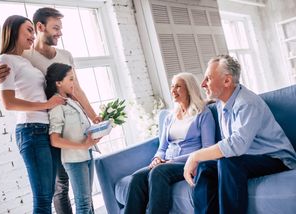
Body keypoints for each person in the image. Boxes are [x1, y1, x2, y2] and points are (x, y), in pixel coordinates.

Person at [0, 8, 101, 213]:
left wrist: (93, 115)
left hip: (56, 127)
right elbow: (7, 95)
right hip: (40, 129)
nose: (60, 33)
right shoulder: (22, 56)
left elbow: (75, 89)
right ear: (41, 27)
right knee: (54, 191)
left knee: (67, 188)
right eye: (56, 28)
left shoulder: (52, 57)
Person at [183, 55, 296, 214]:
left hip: (276, 158)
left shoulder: (247, 103)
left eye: (208, 79)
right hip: (249, 157)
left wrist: (195, 155)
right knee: (205, 168)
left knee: (228, 163)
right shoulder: (221, 104)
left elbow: (236, 145)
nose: (202, 84)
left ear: (227, 81)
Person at [0, 15, 66, 213]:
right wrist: (46, 104)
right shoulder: (5, 60)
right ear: (13, 30)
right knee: (43, 198)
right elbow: (8, 102)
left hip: (45, 129)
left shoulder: (23, 60)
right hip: (31, 130)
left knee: (49, 192)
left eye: (33, 31)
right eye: (28, 30)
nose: (32, 35)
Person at [124, 72, 216, 214]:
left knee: (158, 172)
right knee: (137, 178)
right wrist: (157, 158)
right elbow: (162, 147)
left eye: (178, 87)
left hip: (187, 163)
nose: (173, 90)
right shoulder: (169, 117)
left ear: (189, 89)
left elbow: (207, 149)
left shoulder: (203, 114)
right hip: (165, 162)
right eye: (172, 86)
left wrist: (171, 161)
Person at [45, 63, 100, 214]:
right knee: (83, 204)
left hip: (87, 154)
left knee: (88, 203)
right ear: (58, 83)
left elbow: (81, 129)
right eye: (70, 79)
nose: (73, 83)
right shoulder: (56, 105)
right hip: (74, 159)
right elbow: (54, 140)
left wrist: (97, 131)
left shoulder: (72, 101)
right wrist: (83, 145)